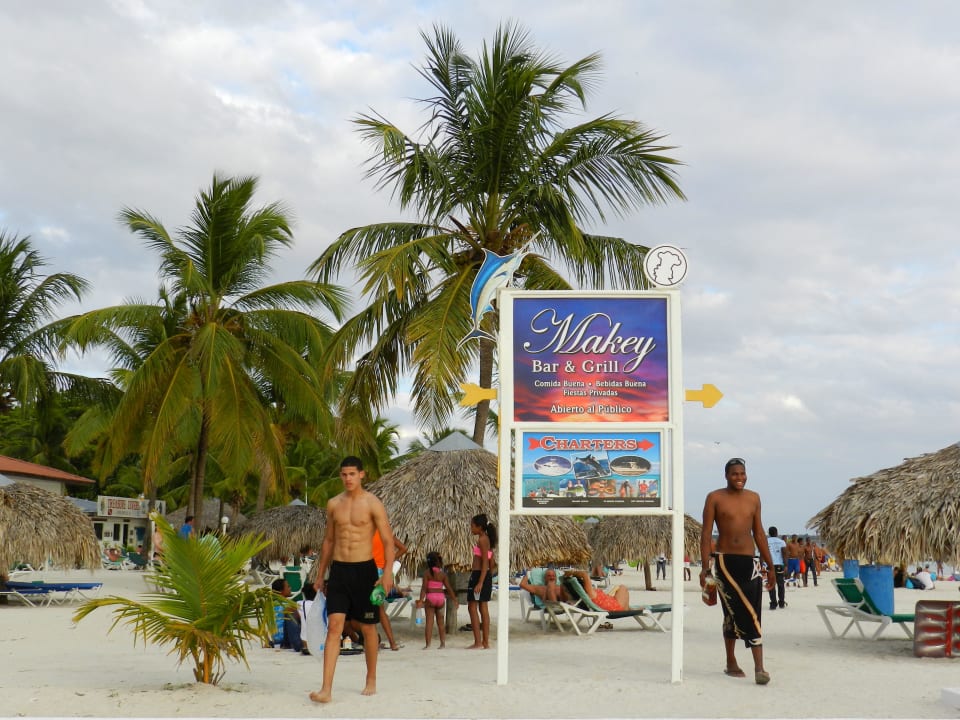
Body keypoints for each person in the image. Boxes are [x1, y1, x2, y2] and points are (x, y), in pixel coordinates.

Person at [309, 456, 395, 704]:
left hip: (365, 571)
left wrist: (386, 573)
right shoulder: (333, 504)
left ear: (362, 475)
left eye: (352, 474)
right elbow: (328, 541)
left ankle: (371, 678)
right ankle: (326, 689)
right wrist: (320, 574)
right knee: (334, 627)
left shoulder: (372, 503)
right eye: (344, 474)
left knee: (368, 628)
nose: (347, 478)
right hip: (339, 572)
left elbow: (388, 541)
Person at [700, 457, 775, 686]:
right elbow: (705, 534)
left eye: (742, 474)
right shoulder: (715, 497)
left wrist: (771, 566)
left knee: (753, 612)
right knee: (733, 612)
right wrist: (705, 567)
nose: (739, 478)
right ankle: (749, 665)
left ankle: (750, 665)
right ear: (726, 476)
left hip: (750, 562)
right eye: (734, 474)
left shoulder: (754, 498)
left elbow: (759, 533)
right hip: (724, 562)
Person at [372, 531, 407, 651]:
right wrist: (389, 560)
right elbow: (403, 548)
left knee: (367, 609)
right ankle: (392, 643)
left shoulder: (365, 532)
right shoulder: (384, 533)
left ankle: (372, 642)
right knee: (380, 610)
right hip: (382, 573)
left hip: (368, 572)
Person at [416, 551, 458, 649]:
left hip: (430, 598)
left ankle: (428, 645)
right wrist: (454, 600)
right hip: (440, 599)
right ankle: (442, 644)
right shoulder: (442, 574)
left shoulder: (427, 573)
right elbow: (449, 588)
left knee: (429, 623)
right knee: (441, 623)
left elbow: (424, 588)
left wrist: (421, 600)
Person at [467, 513, 497, 649]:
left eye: (472, 526)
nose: (471, 528)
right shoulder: (486, 539)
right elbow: (491, 561)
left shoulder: (482, 540)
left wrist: (480, 582)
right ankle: (484, 642)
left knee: (473, 607)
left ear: (479, 527)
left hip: (480, 575)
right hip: (485, 575)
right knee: (482, 607)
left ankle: (478, 642)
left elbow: (485, 562)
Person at [270, 578, 305, 654]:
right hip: (286, 639)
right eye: (288, 587)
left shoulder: (270, 606)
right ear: (281, 591)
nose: (290, 588)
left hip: (275, 641)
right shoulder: (288, 606)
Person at [766, 527, 787, 610]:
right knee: (781, 584)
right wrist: (785, 565)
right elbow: (784, 554)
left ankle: (773, 604)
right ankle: (781, 602)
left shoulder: (766, 541)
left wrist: (761, 565)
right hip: (779, 565)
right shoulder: (782, 542)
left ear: (769, 533)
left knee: (771, 584)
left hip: (769, 565)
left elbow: (762, 554)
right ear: (777, 532)